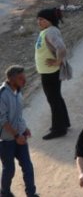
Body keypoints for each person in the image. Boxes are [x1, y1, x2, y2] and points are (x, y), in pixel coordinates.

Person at [0, 66, 39, 197]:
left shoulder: (18, 91)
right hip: (6, 141)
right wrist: (16, 135)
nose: (24, 80)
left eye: (24, 77)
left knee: (27, 167)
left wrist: (24, 128)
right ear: (11, 79)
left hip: (20, 136)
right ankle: (4, 193)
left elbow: (18, 115)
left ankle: (31, 194)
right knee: (9, 169)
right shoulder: (2, 94)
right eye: (20, 78)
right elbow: (2, 120)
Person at [34, 7, 71, 141]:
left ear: (49, 20)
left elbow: (61, 48)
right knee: (56, 98)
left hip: (50, 73)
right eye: (38, 19)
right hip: (47, 72)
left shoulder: (50, 32)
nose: (39, 22)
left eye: (42, 19)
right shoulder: (47, 31)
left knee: (53, 100)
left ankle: (59, 129)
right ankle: (64, 123)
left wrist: (57, 61)